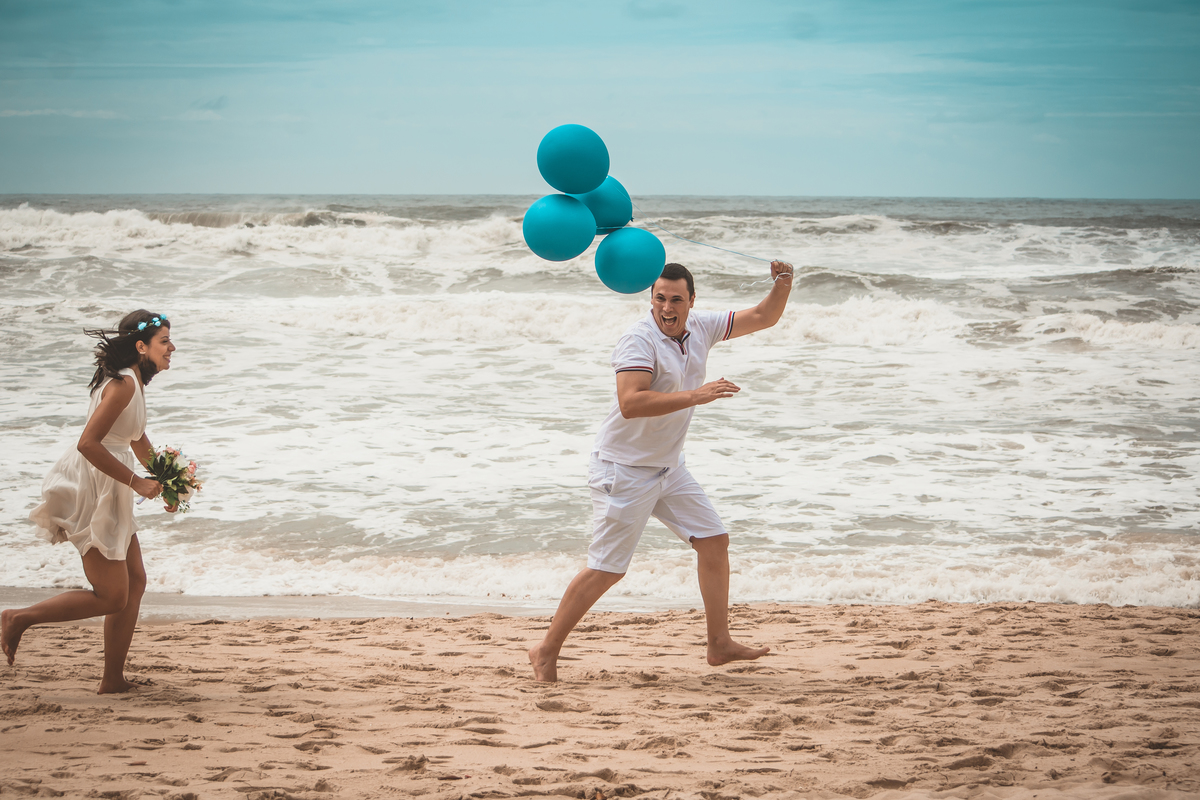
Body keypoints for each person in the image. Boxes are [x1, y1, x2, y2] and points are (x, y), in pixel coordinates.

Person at [530, 260, 794, 682]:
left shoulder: (702, 327)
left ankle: (719, 643)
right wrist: (695, 395)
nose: (667, 308)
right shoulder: (639, 339)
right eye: (659, 298)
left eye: (676, 300)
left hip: (669, 467)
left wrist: (783, 283)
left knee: (713, 541)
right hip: (624, 470)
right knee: (607, 569)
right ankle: (545, 651)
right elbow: (630, 403)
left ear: (692, 301)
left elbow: (764, 316)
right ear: (650, 298)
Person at [1, 310, 177, 693]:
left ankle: (113, 679)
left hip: (110, 485)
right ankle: (18, 618)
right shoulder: (124, 384)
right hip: (93, 487)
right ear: (141, 346)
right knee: (112, 596)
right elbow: (88, 443)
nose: (172, 348)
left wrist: (168, 481)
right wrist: (136, 482)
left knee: (135, 581)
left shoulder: (134, 382)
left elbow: (135, 437)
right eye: (164, 341)